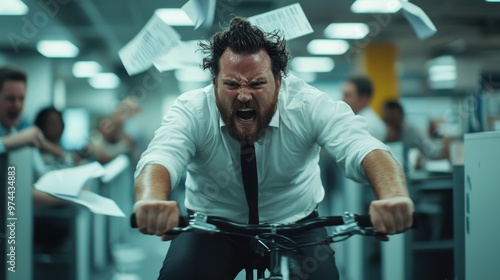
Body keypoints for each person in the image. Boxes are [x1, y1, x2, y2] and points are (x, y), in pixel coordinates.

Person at [132, 17, 414, 280]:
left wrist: (393, 195)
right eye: (231, 84)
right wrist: (151, 200)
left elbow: (363, 146)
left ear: (278, 83)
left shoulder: (307, 104)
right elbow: (160, 157)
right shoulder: (192, 110)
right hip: (212, 228)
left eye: (257, 84)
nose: (243, 95)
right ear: (214, 84)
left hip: (296, 226)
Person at [383, 100, 449, 160]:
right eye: (387, 119)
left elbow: (432, 152)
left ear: (401, 116)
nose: (391, 122)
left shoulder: (413, 131)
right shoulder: (383, 129)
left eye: (393, 118)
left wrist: (445, 145)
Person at [341, 75, 388, 141]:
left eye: (347, 96)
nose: (342, 100)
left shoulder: (368, 125)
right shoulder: (359, 120)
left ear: (363, 98)